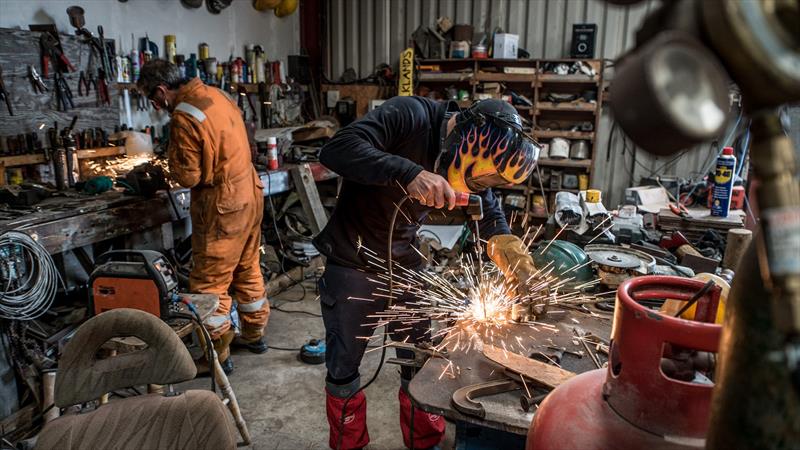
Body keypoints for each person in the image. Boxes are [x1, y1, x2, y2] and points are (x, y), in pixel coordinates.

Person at [314, 97, 541, 449]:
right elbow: (336, 150)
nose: (482, 184)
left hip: (405, 260)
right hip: (352, 260)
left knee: (420, 362)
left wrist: (511, 255)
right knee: (343, 368)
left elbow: (490, 212)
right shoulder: (411, 116)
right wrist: (409, 173)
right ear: (469, 142)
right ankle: (349, 444)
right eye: (483, 177)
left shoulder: (478, 165)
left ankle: (425, 442)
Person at [137, 60, 269, 374]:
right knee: (247, 266)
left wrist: (164, 169)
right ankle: (254, 333)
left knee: (209, 284)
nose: (156, 106)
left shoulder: (184, 115)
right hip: (250, 194)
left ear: (162, 90)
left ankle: (217, 355)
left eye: (153, 100)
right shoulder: (217, 94)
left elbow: (189, 176)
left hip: (223, 207)